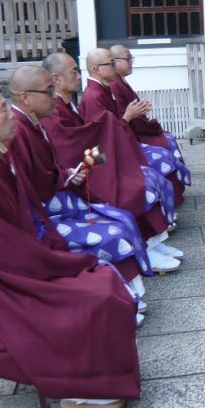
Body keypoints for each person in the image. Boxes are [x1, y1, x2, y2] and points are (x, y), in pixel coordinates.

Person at [0, 86, 140, 408]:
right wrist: (57, 262)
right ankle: (83, 385)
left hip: (20, 262)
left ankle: (99, 377)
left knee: (100, 279)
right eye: (2, 108)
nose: (10, 111)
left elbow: (25, 218)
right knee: (96, 294)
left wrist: (55, 252)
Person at [7, 67, 171, 309]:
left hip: (66, 181)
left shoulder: (36, 120)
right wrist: (68, 176)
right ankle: (123, 298)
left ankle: (143, 265)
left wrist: (69, 174)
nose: (53, 96)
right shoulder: (20, 129)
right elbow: (48, 165)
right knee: (119, 218)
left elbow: (55, 159)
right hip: (47, 209)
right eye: (48, 91)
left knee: (139, 190)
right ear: (25, 97)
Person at [40, 52, 183, 269]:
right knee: (136, 185)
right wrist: (120, 120)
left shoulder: (68, 103)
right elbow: (70, 146)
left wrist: (116, 122)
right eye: (74, 72)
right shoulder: (60, 107)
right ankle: (147, 247)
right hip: (82, 173)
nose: (80, 76)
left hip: (92, 161)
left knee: (146, 176)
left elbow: (86, 135)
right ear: (56, 79)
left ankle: (154, 241)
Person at [80, 48, 188, 206]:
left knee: (165, 147)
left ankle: (170, 204)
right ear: (97, 69)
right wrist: (128, 116)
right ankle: (165, 209)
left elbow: (113, 124)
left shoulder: (104, 88)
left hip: (122, 144)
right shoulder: (93, 96)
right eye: (111, 64)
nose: (115, 67)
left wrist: (133, 114)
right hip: (110, 157)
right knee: (158, 161)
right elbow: (102, 137)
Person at [109, 44, 191, 204]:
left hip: (136, 129)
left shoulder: (121, 82)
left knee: (169, 138)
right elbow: (120, 117)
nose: (131, 62)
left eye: (131, 58)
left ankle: (176, 191)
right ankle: (170, 198)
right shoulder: (114, 85)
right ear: (115, 62)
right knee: (164, 149)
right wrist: (138, 117)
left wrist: (140, 113)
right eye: (128, 59)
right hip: (131, 137)